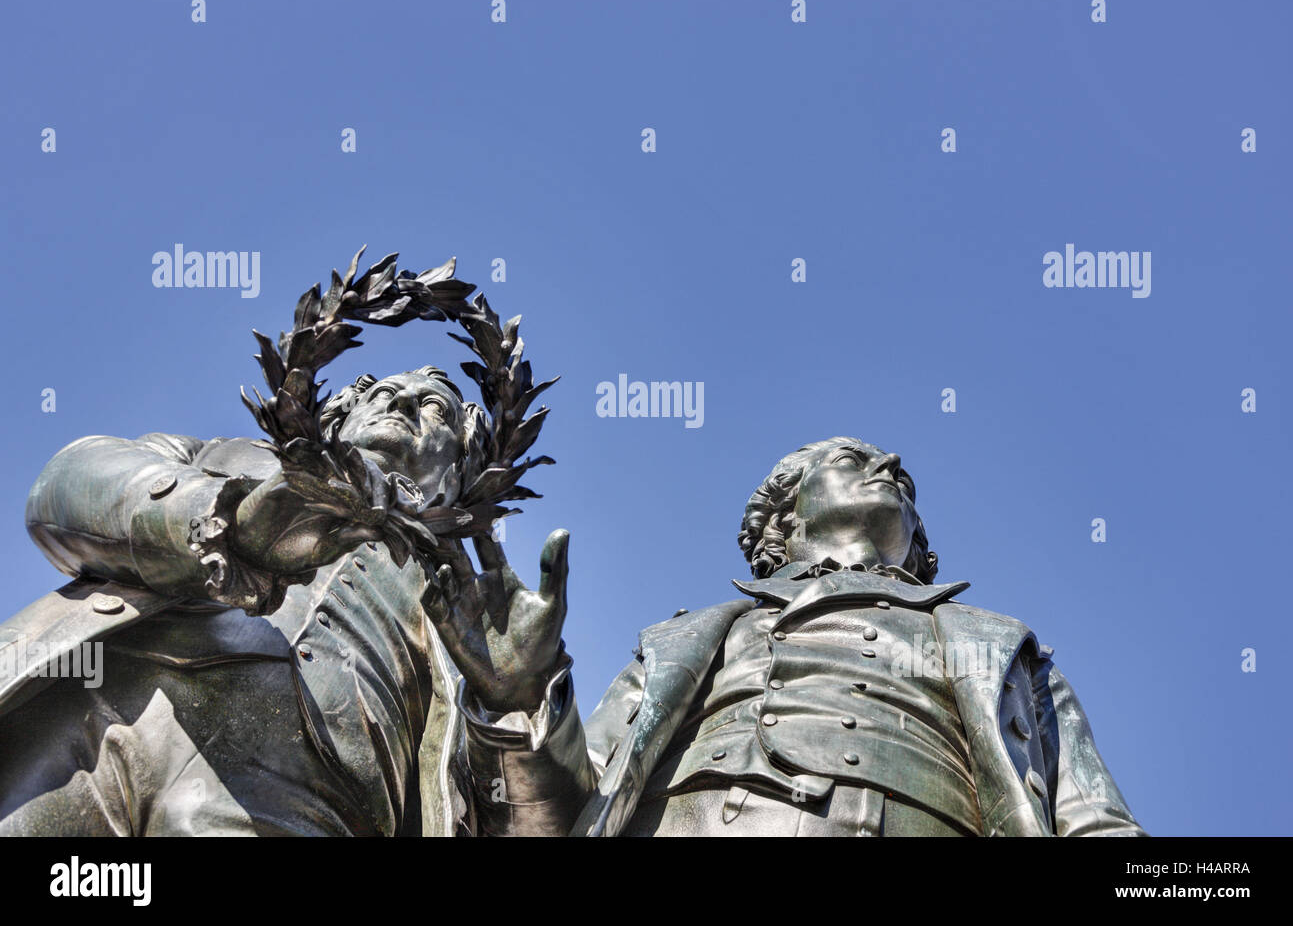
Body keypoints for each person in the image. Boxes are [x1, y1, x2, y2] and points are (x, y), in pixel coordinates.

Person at [429, 437, 1147, 836]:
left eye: (905, 485)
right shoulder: (684, 644)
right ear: (785, 517)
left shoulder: (1006, 654)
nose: (891, 465)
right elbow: (553, 817)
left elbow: (1099, 828)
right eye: (851, 460)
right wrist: (519, 698)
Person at [0, 367, 476, 836]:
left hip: (312, 804)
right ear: (344, 412)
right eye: (387, 392)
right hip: (100, 712)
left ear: (459, 471)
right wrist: (222, 519)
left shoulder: (466, 612)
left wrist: (517, 714)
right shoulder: (219, 455)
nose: (404, 404)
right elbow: (61, 486)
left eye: (436, 409)